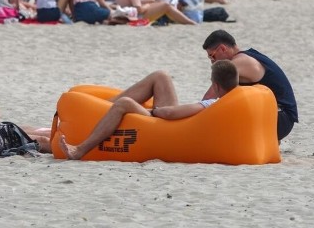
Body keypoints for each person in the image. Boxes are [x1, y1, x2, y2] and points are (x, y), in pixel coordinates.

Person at [60, 60, 239, 160]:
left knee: (124, 103)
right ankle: (98, 108)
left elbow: (170, 114)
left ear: (215, 85)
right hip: (174, 123)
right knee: (161, 76)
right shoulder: (231, 101)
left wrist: (158, 111)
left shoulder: (212, 103)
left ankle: (80, 150)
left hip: (166, 125)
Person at [202, 30, 298, 140]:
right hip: (281, 118)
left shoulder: (239, 63)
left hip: (280, 120)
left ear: (223, 49)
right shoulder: (249, 56)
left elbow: (209, 97)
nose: (212, 62)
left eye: (212, 56)